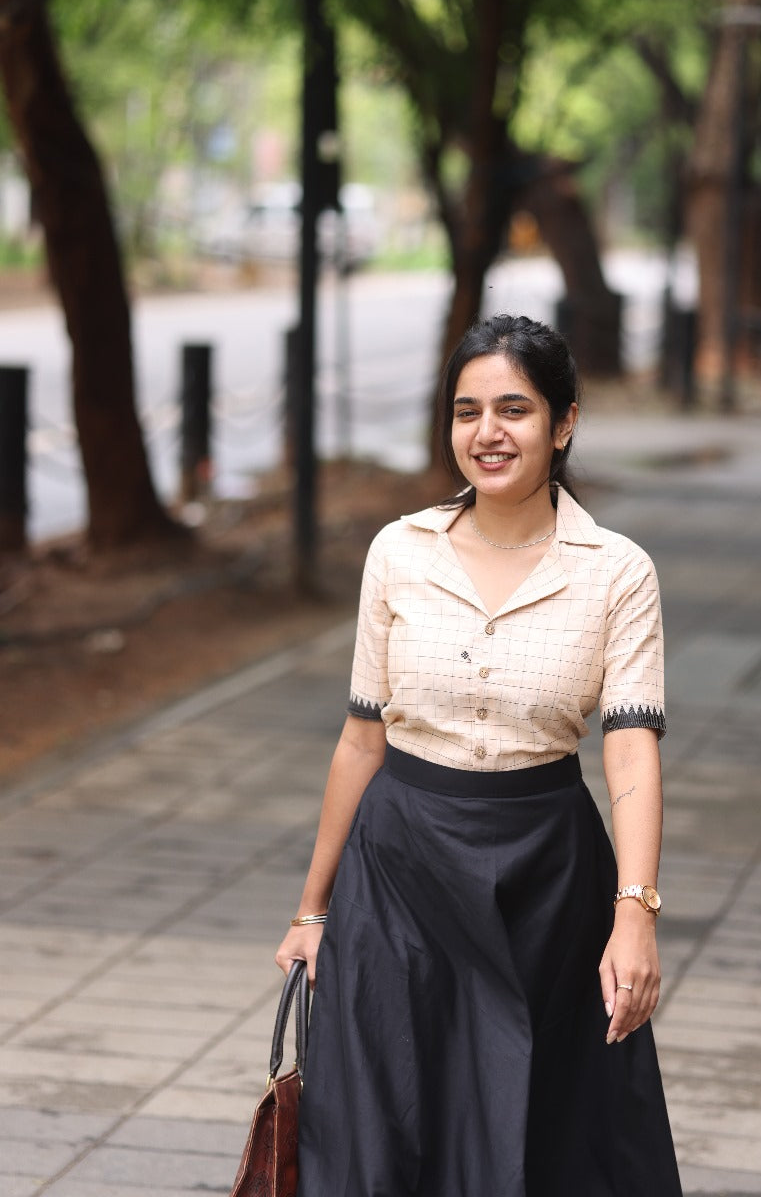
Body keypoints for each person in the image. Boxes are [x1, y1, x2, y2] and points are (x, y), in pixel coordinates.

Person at [275, 314, 681, 1196]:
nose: (487, 433)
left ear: (563, 423)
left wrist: (635, 912)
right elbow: (360, 737)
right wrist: (314, 909)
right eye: (466, 411)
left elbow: (633, 757)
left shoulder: (616, 572)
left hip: (546, 876)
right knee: (378, 1123)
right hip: (397, 869)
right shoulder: (399, 552)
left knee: (531, 1123)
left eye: (514, 409)